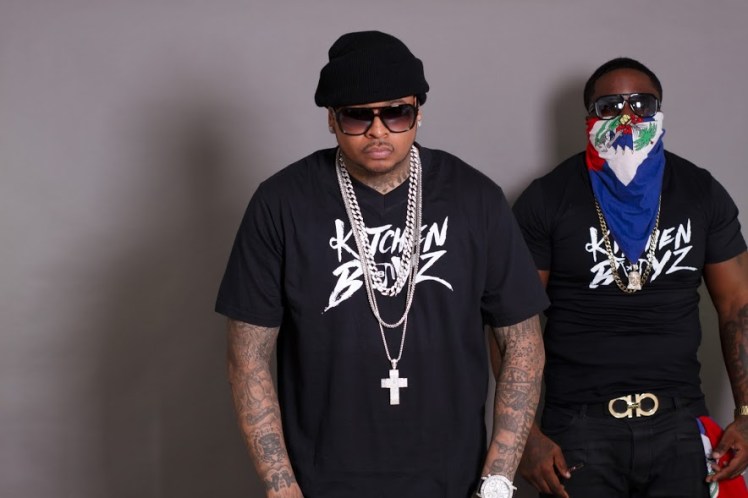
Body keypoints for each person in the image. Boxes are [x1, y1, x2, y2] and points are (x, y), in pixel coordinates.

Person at [215, 30, 549, 498]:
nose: (378, 130)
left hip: (455, 479)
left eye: (396, 113)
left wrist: (496, 480)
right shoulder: (281, 203)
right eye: (357, 116)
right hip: (322, 481)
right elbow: (247, 358)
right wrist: (280, 486)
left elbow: (523, 344)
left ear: (418, 112)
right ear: (331, 120)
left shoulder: (476, 199)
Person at [510, 57, 748, 497]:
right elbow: (512, 320)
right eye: (609, 106)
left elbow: (739, 305)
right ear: (589, 118)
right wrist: (525, 436)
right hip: (579, 426)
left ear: (660, 112)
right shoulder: (547, 198)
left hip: (680, 420)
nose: (626, 117)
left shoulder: (700, 191)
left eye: (641, 104)